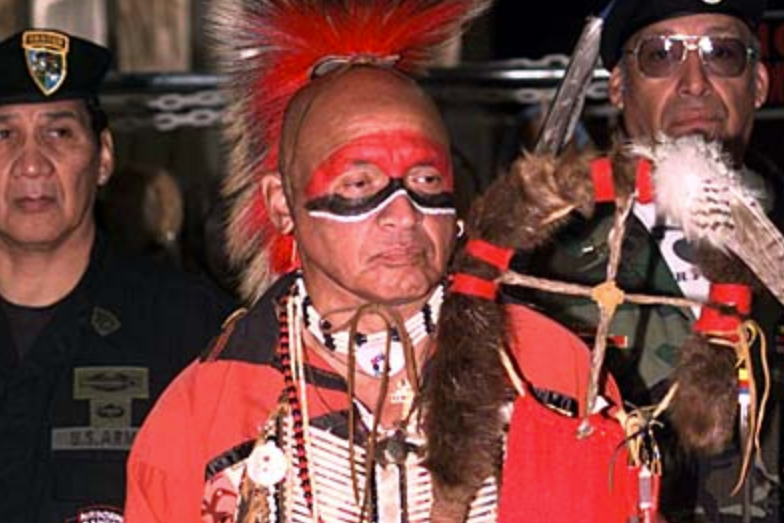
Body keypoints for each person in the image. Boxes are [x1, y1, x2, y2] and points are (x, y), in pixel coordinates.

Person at [124, 1, 657, 522]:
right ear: (282, 206)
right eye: (360, 184)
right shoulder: (206, 410)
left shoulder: (549, 370)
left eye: (426, 181)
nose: (403, 213)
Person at [514, 0, 783, 520]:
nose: (695, 81)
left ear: (759, 84)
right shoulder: (541, 265)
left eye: (721, 53)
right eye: (660, 54)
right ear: (617, 87)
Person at [0, 29, 235, 522]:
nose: (31, 163)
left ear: (103, 156)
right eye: (4, 135)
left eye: (58, 132)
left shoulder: (188, 324)